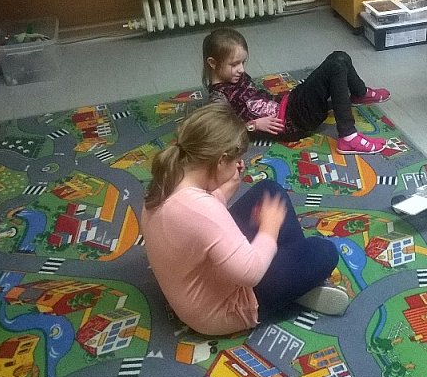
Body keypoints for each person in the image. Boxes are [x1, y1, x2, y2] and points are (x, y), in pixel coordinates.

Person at [141, 103, 349, 336]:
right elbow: (250, 273)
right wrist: (269, 229)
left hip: (198, 280)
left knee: (270, 191)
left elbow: (194, 225)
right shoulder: (202, 209)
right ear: (221, 160)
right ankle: (297, 284)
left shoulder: (167, 178)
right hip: (222, 309)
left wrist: (222, 192)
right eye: (234, 160)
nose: (237, 165)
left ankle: (293, 279)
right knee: (323, 251)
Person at [203, 27, 390, 154]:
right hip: (293, 122)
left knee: (339, 57)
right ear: (212, 63)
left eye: (243, 62)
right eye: (234, 64)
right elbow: (218, 134)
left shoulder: (233, 76)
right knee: (336, 64)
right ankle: (348, 136)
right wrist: (253, 126)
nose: (241, 69)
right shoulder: (218, 97)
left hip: (290, 103)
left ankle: (359, 93)